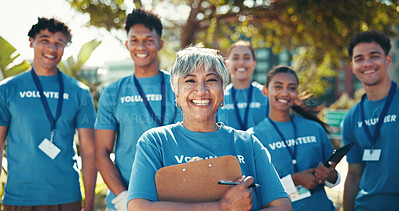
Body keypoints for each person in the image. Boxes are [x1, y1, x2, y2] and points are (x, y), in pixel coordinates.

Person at [126, 45, 292, 211]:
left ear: (222, 93)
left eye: (211, 80)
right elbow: (138, 207)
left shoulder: (248, 143)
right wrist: (222, 207)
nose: (201, 90)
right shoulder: (155, 142)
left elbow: (282, 207)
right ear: (176, 94)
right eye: (190, 81)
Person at [0, 17, 96, 210]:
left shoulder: (80, 92)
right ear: (31, 42)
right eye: (44, 40)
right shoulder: (8, 89)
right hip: (19, 198)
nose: (52, 48)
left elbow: (88, 151)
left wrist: (90, 203)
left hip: (67, 197)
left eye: (59, 43)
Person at [95, 8, 181, 211]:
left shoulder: (178, 87)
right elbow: (101, 152)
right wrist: (123, 196)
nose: (141, 46)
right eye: (134, 40)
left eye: (148, 40)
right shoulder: (113, 92)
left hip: (170, 200)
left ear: (160, 44)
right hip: (123, 201)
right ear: (127, 44)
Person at [247, 65, 339, 211]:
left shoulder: (314, 128)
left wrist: (331, 175)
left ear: (297, 92)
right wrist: (294, 180)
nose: (285, 93)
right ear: (265, 91)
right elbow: (255, 191)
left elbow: (333, 177)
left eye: (291, 88)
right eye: (278, 87)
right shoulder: (252, 137)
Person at [342, 31, 399, 211]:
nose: (367, 63)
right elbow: (353, 175)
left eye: (374, 56)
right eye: (359, 59)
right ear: (352, 66)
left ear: (388, 60)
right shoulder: (351, 117)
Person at [217, 40, 269, 130]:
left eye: (246, 58)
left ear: (254, 64)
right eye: (236, 58)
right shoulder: (218, 97)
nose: (241, 62)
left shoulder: (266, 95)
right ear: (227, 64)